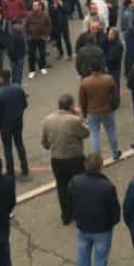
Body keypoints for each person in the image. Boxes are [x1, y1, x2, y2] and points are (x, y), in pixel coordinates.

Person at [41, 94, 90, 225]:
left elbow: (44, 143)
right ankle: (80, 214)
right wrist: (80, 117)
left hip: (57, 159)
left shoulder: (48, 120)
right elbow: (86, 133)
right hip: (75, 159)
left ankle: (66, 216)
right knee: (79, 185)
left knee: (62, 187)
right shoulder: (74, 120)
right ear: (71, 106)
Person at [69, 153, 121, 266]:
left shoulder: (75, 181)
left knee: (83, 256)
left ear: (85, 165)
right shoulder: (107, 187)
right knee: (100, 259)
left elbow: (70, 201)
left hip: (83, 225)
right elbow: (115, 210)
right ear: (101, 166)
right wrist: (111, 223)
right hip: (102, 229)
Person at [80, 60, 121, 160]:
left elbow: (82, 100)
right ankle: (115, 152)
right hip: (107, 110)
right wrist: (114, 106)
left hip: (92, 111)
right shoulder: (109, 79)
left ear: (91, 69)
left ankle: (97, 158)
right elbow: (115, 95)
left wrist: (84, 112)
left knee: (94, 134)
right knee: (111, 131)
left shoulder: (85, 82)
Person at [0, 69, 30, 177]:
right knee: (19, 143)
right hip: (18, 121)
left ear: (1, 78)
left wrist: (0, 123)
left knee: (7, 147)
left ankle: (10, 171)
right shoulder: (18, 88)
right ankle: (25, 168)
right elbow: (25, 104)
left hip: (5, 124)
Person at [25, 0, 51, 79]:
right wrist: (27, 35)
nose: (34, 7)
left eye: (36, 6)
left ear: (40, 7)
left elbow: (49, 25)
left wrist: (46, 35)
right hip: (31, 38)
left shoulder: (45, 15)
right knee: (31, 54)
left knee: (42, 53)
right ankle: (32, 70)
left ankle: (42, 67)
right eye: (33, 6)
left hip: (41, 37)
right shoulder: (29, 15)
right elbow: (26, 26)